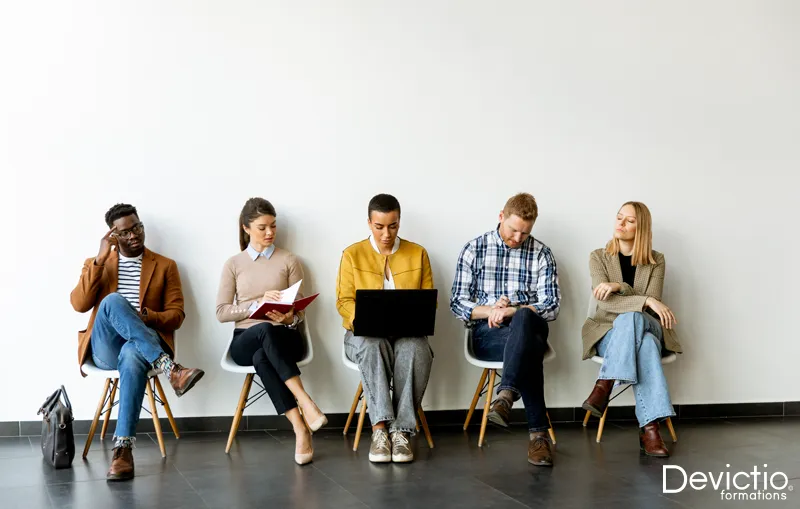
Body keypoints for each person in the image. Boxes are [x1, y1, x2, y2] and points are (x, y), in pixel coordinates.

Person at [70, 203, 205, 481]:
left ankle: (123, 451)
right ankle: (171, 368)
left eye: (137, 227)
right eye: (125, 232)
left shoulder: (165, 266)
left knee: (133, 357)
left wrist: (146, 316)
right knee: (112, 301)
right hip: (106, 347)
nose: (134, 235)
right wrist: (99, 258)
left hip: (140, 347)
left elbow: (177, 315)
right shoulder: (97, 263)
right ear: (113, 236)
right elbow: (79, 304)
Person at [450, 193, 560, 467]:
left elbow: (553, 305)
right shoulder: (474, 249)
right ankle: (538, 436)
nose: (518, 238)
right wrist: (492, 310)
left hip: (530, 325)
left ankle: (506, 394)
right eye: (513, 229)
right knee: (528, 351)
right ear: (501, 216)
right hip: (489, 334)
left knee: (523, 319)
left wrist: (514, 310)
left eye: (525, 232)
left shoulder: (541, 253)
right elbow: (457, 302)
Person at [216, 197, 327, 465]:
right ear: (246, 228)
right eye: (262, 227)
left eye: (273, 226)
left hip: (285, 336)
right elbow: (221, 312)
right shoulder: (234, 264)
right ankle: (306, 402)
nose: (269, 233)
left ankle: (300, 428)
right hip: (245, 339)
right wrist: (256, 305)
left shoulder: (289, 259)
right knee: (263, 331)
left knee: (263, 356)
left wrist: (290, 316)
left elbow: (298, 310)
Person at [336, 194, 434, 463]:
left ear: (399, 222)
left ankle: (401, 431)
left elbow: (428, 302)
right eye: (379, 226)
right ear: (369, 222)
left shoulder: (418, 253)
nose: (386, 233)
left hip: (406, 334)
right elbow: (344, 301)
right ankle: (379, 430)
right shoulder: (352, 254)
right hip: (363, 335)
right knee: (372, 344)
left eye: (393, 226)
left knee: (416, 347)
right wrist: (363, 320)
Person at [581, 201, 682, 457]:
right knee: (643, 342)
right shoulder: (598, 257)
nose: (621, 223)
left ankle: (604, 385)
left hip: (648, 323)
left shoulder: (656, 260)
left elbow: (647, 310)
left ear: (642, 228)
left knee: (633, 319)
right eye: (618, 217)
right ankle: (650, 430)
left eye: (629, 220)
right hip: (608, 331)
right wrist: (643, 298)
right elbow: (606, 301)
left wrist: (623, 289)